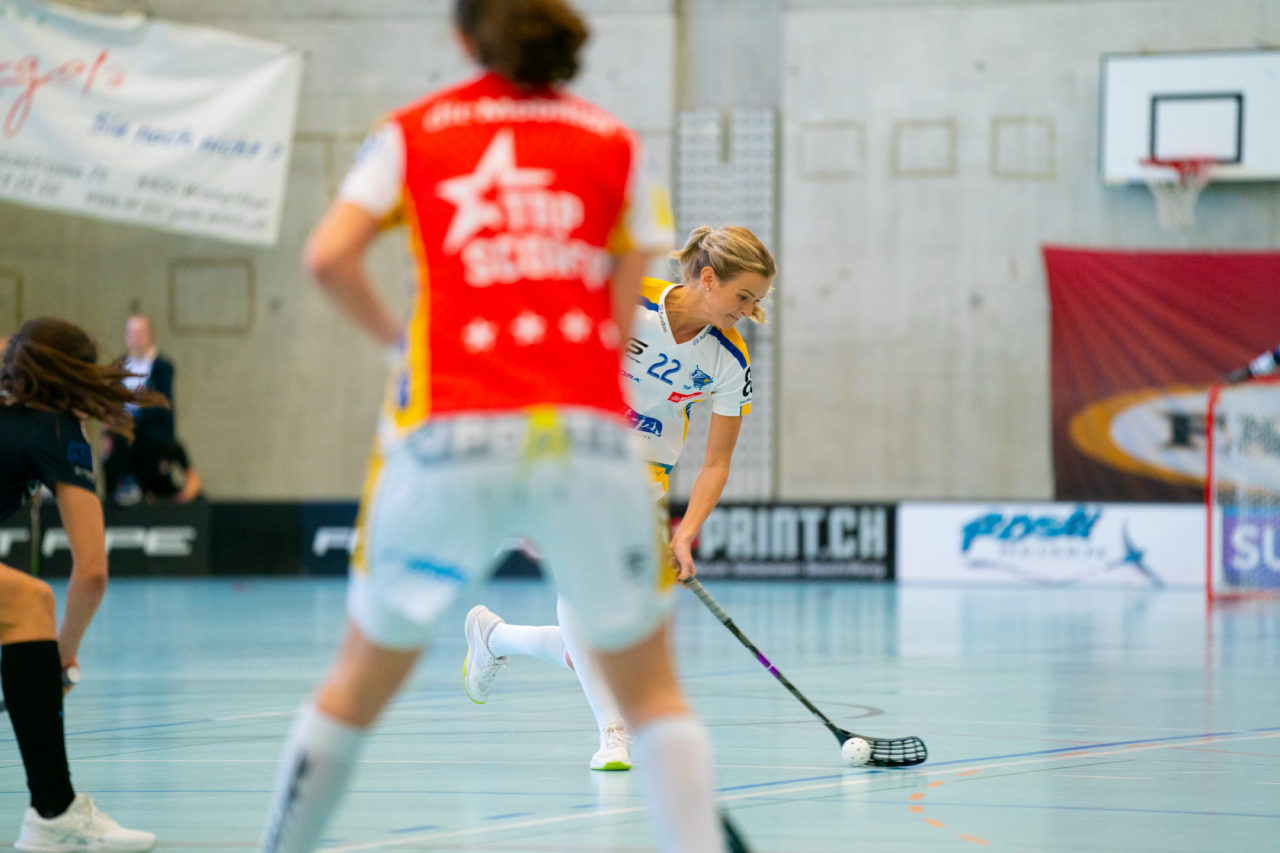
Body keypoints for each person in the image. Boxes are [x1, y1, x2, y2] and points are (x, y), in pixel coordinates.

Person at [257, 2, 730, 852]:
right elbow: (623, 309)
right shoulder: (615, 145)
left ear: (463, 39)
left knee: (358, 684)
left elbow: (326, 257)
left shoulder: (411, 131)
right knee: (655, 696)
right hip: (586, 442)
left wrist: (403, 345)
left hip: (445, 430)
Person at [463, 225, 775, 771]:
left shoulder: (730, 362)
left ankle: (496, 637)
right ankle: (614, 730)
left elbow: (717, 463)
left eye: (757, 301)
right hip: (569, 445)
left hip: (641, 476)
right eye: (743, 296)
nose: (749, 311)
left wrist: (683, 535)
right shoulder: (625, 299)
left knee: (605, 633)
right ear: (708, 279)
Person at [0, 317, 158, 852]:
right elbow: (92, 571)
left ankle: (53, 811)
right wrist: (61, 655)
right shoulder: (56, 433)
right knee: (30, 601)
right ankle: (54, 814)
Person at [102, 314, 179, 505]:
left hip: (152, 434)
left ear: (150, 335)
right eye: (132, 333)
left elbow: (162, 404)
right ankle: (122, 487)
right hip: (125, 434)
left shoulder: (162, 366)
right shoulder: (120, 366)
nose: (136, 338)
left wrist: (134, 415)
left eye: (141, 333)